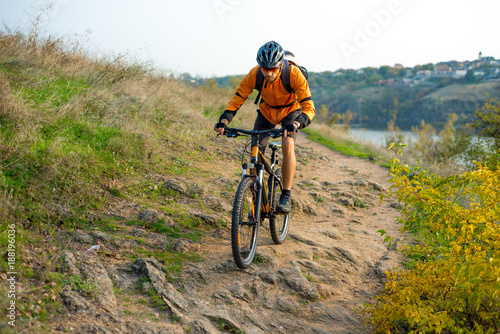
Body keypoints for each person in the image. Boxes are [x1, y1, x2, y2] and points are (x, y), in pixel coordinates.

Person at [214, 41, 315, 213]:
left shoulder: (293, 73)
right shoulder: (255, 74)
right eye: (264, 68)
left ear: (280, 65)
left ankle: (286, 194)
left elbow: (309, 107)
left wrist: (297, 123)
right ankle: (255, 192)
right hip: (267, 112)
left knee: (288, 144)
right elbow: (238, 97)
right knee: (255, 149)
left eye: (273, 69)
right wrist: (224, 120)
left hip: (291, 112)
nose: (268, 73)